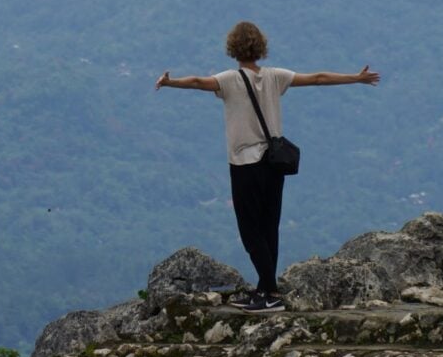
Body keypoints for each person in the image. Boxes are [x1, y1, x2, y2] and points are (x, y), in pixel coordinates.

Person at [155, 21, 380, 313]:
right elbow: (318, 78)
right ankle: (264, 289)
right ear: (261, 47)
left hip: (245, 163)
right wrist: (356, 78)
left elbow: (198, 82)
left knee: (250, 230)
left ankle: (270, 292)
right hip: (274, 163)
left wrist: (170, 82)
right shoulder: (276, 76)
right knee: (269, 225)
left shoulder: (229, 79)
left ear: (232, 48)